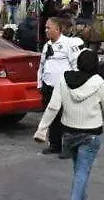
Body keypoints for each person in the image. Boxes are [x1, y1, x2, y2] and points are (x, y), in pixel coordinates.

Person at [35, 50, 104, 200]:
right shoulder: (99, 82)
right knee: (82, 171)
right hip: (91, 134)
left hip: (68, 133)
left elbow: (53, 107)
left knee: (79, 170)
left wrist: (41, 129)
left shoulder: (63, 80)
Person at [39, 17, 85, 156]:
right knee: (52, 117)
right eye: (45, 27)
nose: (46, 30)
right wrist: (39, 83)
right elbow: (42, 65)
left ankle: (69, 147)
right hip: (48, 86)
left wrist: (74, 84)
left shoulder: (68, 44)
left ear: (58, 29)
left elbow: (76, 65)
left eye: (49, 28)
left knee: (66, 118)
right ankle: (54, 144)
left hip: (64, 87)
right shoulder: (47, 46)